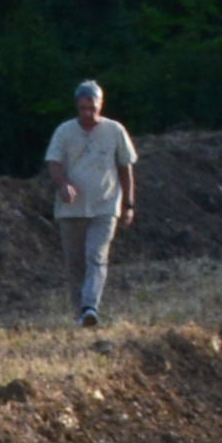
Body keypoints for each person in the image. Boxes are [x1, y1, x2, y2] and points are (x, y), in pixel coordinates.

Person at [40, 79, 138, 326]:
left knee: (96, 256)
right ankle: (80, 314)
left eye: (92, 108)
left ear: (100, 105)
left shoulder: (115, 131)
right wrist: (63, 184)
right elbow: (54, 162)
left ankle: (90, 306)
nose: (87, 114)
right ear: (77, 106)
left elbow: (125, 167)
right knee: (76, 263)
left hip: (105, 206)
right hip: (71, 210)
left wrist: (129, 204)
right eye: (83, 108)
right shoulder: (64, 131)